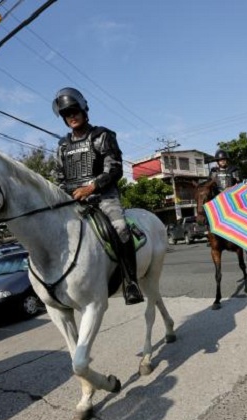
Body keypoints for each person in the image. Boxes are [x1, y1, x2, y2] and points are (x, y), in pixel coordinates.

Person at [51, 87, 143, 305]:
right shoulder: (62, 146)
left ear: (83, 111)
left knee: (120, 228)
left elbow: (115, 169)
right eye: (66, 114)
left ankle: (131, 283)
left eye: (74, 111)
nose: (71, 117)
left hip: (104, 196)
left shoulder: (102, 136)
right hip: (73, 199)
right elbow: (57, 176)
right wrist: (67, 193)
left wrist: (91, 188)